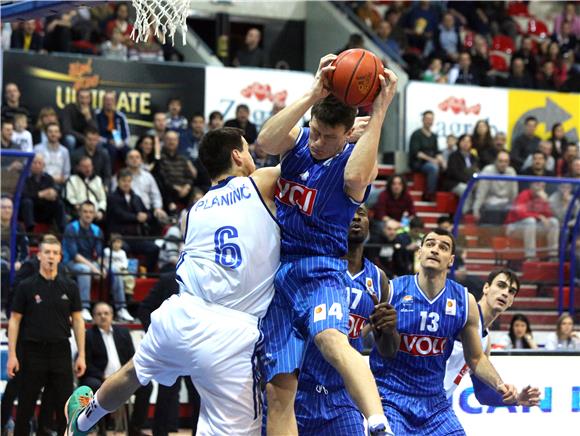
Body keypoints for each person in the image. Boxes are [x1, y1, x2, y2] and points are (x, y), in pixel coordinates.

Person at [65, 127, 281, 435]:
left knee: (133, 373)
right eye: (248, 150)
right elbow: (307, 159)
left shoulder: (193, 211)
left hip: (181, 314)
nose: (253, 158)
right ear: (237, 155)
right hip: (232, 330)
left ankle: (83, 420)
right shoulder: (258, 185)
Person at [257, 54, 397, 435]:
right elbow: (264, 141)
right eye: (315, 131)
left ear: (347, 133)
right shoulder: (300, 140)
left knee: (332, 339)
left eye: (328, 137)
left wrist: (380, 109)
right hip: (278, 273)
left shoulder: (351, 162)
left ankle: (376, 421)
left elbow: (358, 175)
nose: (318, 141)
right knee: (279, 389)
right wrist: (312, 93)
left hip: (321, 269)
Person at [369, 229, 518, 435]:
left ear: (451, 260)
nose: (435, 250)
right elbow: (367, 340)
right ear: (419, 252)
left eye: (443, 247)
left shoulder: (465, 301)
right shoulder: (392, 290)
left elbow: (476, 358)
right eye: (430, 244)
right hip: (390, 397)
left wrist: (499, 384)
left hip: (434, 404)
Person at [295, 204, 392, 434]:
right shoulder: (315, 266)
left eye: (363, 213)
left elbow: (386, 349)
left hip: (343, 396)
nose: (357, 217)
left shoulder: (379, 280)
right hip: (300, 389)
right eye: (350, 213)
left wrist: (388, 329)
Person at [7, 235, 86, 436]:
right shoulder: (26, 286)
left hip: (60, 350)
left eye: (55, 253)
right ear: (39, 255)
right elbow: (14, 320)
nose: (51, 256)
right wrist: (12, 355)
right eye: (47, 252)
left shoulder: (70, 286)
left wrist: (82, 355)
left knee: (65, 407)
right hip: (32, 352)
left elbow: (78, 321)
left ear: (60, 257)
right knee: (25, 406)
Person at [444, 269, 541, 407]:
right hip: (421, 393)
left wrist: (516, 399)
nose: (505, 293)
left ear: (511, 301)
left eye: (511, 291)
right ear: (486, 288)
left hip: (439, 402)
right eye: (501, 285)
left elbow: (483, 393)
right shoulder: (463, 314)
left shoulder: (485, 339)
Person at [81, 302, 149, 436]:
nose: (103, 317)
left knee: (146, 385)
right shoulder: (88, 335)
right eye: (99, 314)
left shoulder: (123, 332)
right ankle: (102, 430)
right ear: (93, 317)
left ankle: (134, 428)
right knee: (92, 385)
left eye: (106, 313)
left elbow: (132, 358)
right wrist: (103, 376)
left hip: (124, 377)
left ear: (112, 316)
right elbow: (87, 364)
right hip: (100, 378)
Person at [107, 169, 159, 273]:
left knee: (154, 248)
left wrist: (146, 216)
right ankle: (126, 275)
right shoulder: (112, 198)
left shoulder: (136, 198)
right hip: (120, 237)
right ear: (118, 181)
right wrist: (137, 217)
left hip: (136, 237)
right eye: (124, 181)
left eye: (128, 181)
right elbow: (119, 215)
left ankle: (144, 272)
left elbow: (147, 213)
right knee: (123, 249)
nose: (126, 183)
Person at [62, 201, 106, 322]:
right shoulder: (71, 228)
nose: (88, 215)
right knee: (85, 270)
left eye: (91, 212)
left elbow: (99, 254)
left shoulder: (97, 230)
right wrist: (94, 269)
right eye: (85, 212)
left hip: (90, 262)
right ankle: (84, 307)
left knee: (114, 270)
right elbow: (75, 256)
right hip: (70, 263)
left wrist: (102, 267)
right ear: (80, 213)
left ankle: (120, 307)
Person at [505, 182, 560, 260]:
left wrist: (546, 202)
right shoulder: (524, 194)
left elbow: (549, 215)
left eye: (542, 186)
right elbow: (521, 213)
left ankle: (553, 255)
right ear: (531, 186)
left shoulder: (542, 198)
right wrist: (538, 216)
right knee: (530, 221)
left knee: (553, 222)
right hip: (514, 228)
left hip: (533, 228)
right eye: (537, 185)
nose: (540, 187)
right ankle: (530, 256)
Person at [20, 153, 67, 233]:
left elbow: (54, 192)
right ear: (29, 164)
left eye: (39, 163)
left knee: (59, 203)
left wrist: (53, 194)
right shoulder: (24, 177)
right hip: (29, 211)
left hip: (44, 210)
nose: (37, 165)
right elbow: (23, 195)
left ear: (43, 165)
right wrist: (40, 194)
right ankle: (30, 233)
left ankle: (63, 231)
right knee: (27, 202)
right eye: (34, 163)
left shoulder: (48, 178)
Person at [473, 150, 518, 225]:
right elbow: (481, 193)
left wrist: (514, 209)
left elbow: (514, 194)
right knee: (494, 212)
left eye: (506, 161)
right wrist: (476, 210)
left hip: (505, 206)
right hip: (490, 205)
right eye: (500, 161)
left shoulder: (512, 172)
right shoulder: (488, 171)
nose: (503, 164)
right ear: (495, 161)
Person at [409, 110, 444, 201]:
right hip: (419, 162)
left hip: (431, 160)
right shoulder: (416, 134)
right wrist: (432, 160)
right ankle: (429, 194)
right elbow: (416, 153)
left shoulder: (434, 136)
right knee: (433, 168)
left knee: (444, 166)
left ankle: (441, 192)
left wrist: (442, 160)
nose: (429, 121)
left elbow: (437, 151)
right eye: (427, 119)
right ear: (423, 120)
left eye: (431, 119)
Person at [64, 156, 107, 222]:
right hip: (79, 211)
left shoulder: (98, 180)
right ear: (78, 167)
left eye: (89, 166)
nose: (88, 169)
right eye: (84, 167)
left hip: (95, 212)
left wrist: (100, 211)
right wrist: (79, 208)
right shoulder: (72, 180)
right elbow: (70, 198)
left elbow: (103, 199)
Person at [95, 91, 130, 165]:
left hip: (118, 141)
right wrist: (107, 141)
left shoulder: (120, 116)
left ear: (115, 102)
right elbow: (95, 134)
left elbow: (126, 134)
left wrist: (122, 143)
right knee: (112, 149)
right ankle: (110, 174)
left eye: (111, 100)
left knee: (128, 150)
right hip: (104, 142)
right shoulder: (97, 115)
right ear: (103, 102)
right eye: (107, 100)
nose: (109, 102)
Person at [33, 122, 71, 186]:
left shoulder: (65, 151)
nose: (53, 134)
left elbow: (67, 173)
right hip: (41, 184)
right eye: (50, 132)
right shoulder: (37, 149)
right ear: (46, 134)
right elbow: (33, 170)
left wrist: (63, 179)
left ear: (60, 134)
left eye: (56, 132)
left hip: (59, 184)